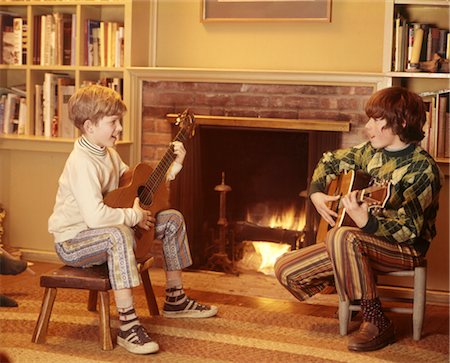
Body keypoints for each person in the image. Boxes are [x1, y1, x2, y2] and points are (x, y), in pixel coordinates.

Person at [48, 85, 217, 355]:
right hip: (74, 241)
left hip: (105, 230)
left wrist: (174, 166)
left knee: (171, 219)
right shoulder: (82, 163)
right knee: (119, 235)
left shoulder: (108, 153)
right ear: (90, 126)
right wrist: (133, 216)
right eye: (113, 122)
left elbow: (138, 186)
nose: (119, 128)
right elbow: (94, 217)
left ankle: (175, 299)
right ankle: (127, 324)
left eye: (119, 121)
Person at [274, 86, 442, 352]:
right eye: (369, 119)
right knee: (285, 269)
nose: (368, 127)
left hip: (405, 249)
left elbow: (410, 232)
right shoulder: (371, 153)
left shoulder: (422, 169)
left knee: (342, 235)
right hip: (359, 243)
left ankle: (376, 319)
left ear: (402, 122)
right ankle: (354, 280)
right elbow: (329, 160)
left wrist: (367, 223)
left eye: (376, 120)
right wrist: (317, 194)